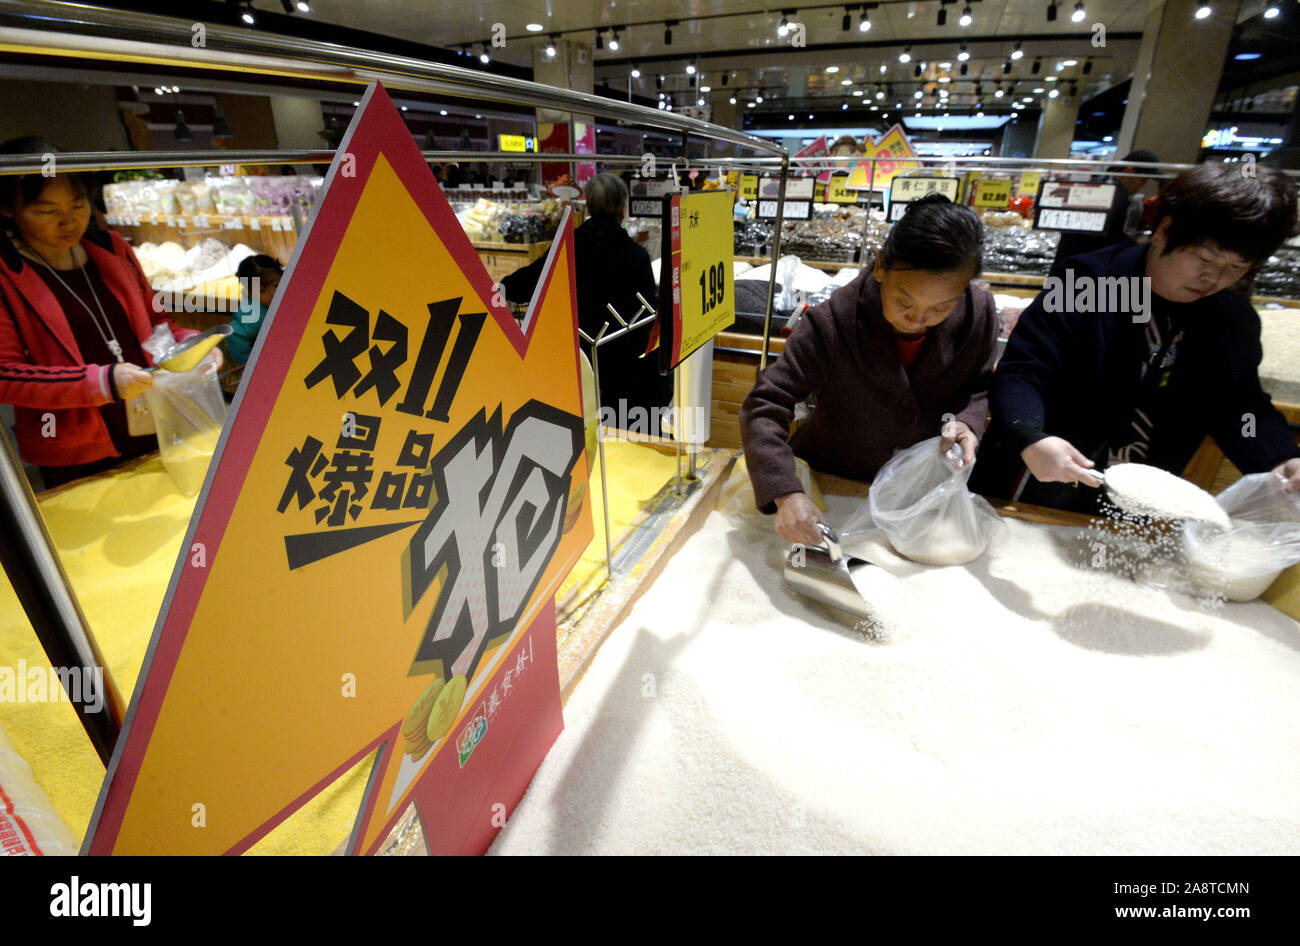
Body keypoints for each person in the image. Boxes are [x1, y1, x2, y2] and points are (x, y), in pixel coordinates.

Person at [972, 162, 1300, 514]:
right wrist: (1030, 435)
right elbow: (1024, 371)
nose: (1214, 278)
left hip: (1138, 500)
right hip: (1039, 475)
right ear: (1164, 230)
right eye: (1205, 258)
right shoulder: (1092, 283)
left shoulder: (1229, 319)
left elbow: (1240, 409)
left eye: (1236, 267)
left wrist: (1280, 458)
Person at [741, 193, 998, 545]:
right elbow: (766, 403)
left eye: (940, 308)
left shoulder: (977, 312)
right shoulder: (832, 322)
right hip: (832, 485)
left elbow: (979, 385)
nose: (918, 319)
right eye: (904, 302)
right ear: (880, 267)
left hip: (920, 493)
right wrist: (786, 492)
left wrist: (967, 421)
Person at [0, 136, 209, 488]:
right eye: (46, 211)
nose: (69, 222)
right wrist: (100, 383)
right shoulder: (6, 273)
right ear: (8, 209)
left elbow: (158, 321)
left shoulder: (111, 247)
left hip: (153, 422)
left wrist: (192, 344)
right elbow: (6, 376)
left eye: (78, 205)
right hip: (75, 448)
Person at [500, 171, 671, 416]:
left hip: (574, 367)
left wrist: (501, 288)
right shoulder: (637, 256)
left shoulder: (567, 248)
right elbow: (646, 321)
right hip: (624, 377)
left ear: (588, 206)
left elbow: (524, 282)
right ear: (623, 209)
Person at [1049, 149, 1160, 277]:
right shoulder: (1115, 195)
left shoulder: (1103, 186)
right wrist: (1135, 245)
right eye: (1143, 180)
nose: (1142, 186)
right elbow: (1107, 238)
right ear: (1129, 171)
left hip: (1069, 265)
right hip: (1079, 269)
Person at [226, 254, 282, 365]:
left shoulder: (292, 295)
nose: (272, 293)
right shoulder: (252, 314)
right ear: (250, 294)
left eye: (276, 285)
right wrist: (250, 365)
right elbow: (234, 334)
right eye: (262, 290)